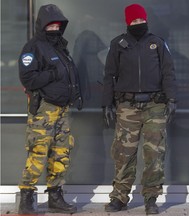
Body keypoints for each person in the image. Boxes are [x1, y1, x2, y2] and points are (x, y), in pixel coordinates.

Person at [102, 3, 177, 214]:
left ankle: (151, 198)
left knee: (154, 153)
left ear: (146, 20)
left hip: (155, 105)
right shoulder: (118, 44)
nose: (138, 23)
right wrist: (107, 103)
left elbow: (168, 72)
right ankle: (119, 198)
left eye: (141, 20)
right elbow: (109, 76)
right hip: (127, 106)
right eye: (134, 21)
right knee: (123, 153)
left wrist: (172, 99)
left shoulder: (157, 43)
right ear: (128, 22)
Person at [18, 4, 82, 214]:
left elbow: (69, 74)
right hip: (44, 109)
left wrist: (76, 95)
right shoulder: (33, 47)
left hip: (63, 110)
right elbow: (28, 78)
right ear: (42, 25)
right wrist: (52, 75)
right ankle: (26, 199)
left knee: (61, 153)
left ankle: (56, 197)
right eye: (50, 24)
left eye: (57, 24)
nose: (54, 28)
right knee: (38, 152)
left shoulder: (60, 47)